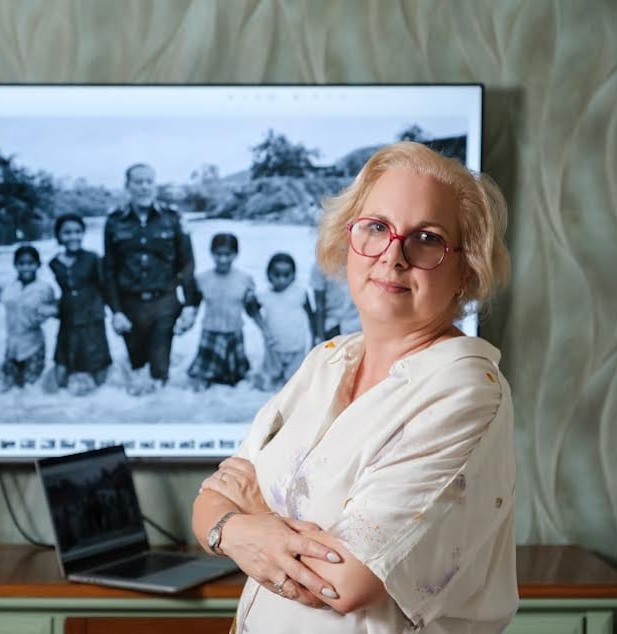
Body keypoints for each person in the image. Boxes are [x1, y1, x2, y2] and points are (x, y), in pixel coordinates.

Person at [192, 141, 515, 633]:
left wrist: (253, 516)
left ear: (465, 268)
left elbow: (346, 583)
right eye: (377, 227)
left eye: (426, 238)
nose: (393, 256)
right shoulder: (326, 360)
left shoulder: (464, 388)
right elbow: (209, 501)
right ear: (349, 241)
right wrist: (232, 526)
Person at [102, 163, 198, 395]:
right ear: (128, 186)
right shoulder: (114, 222)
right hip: (129, 305)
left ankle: (162, 416)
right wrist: (115, 311)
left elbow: (187, 264)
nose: (144, 187)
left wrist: (190, 305)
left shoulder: (173, 219)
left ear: (155, 185)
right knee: (136, 369)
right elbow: (109, 270)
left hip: (164, 304)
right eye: (138, 182)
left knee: (159, 371)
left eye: (149, 181)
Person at [186, 233, 263, 390]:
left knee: (236, 382)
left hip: (234, 334)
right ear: (211, 253)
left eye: (227, 254)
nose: (223, 259)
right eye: (218, 254)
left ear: (235, 254)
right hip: (210, 333)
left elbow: (252, 310)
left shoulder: (244, 279)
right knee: (202, 383)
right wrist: (184, 325)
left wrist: (265, 331)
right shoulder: (201, 279)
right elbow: (193, 308)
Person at [49, 214, 112, 393]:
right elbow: (57, 292)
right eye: (67, 232)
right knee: (62, 367)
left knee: (97, 366)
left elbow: (106, 288)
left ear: (84, 234)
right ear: (58, 236)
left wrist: (117, 312)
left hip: (92, 321)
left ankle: (102, 401)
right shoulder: (54, 263)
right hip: (67, 321)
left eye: (77, 232)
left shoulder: (93, 259)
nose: (73, 237)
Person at [252, 252, 315, 391]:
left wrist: (315, 337)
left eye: (287, 275)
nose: (282, 280)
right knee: (271, 377)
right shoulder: (264, 295)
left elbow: (311, 316)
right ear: (268, 275)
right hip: (274, 345)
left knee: (294, 380)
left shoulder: (300, 293)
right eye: (277, 275)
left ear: (294, 275)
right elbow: (252, 309)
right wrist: (263, 329)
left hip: (296, 344)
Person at [0, 245, 57, 388]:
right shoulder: (9, 287)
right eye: (21, 263)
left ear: (38, 265)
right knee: (8, 387)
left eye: (30, 263)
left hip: (34, 345)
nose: (26, 268)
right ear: (15, 265)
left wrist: (48, 312)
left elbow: (57, 308)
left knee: (31, 389)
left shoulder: (44, 288)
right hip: (12, 345)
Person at [310, 262, 361, 341]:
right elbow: (319, 305)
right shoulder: (320, 265)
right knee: (333, 350)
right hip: (332, 327)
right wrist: (321, 338)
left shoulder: (360, 261)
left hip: (357, 326)